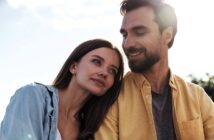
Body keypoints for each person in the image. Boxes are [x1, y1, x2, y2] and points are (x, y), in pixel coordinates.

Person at [95, 0, 214, 140]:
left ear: (167, 35)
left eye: (139, 32)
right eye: (124, 35)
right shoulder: (111, 98)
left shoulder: (197, 97)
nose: (127, 44)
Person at [0, 39, 124, 140]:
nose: (104, 73)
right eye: (97, 62)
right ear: (74, 67)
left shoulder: (93, 128)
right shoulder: (32, 96)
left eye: (112, 70)